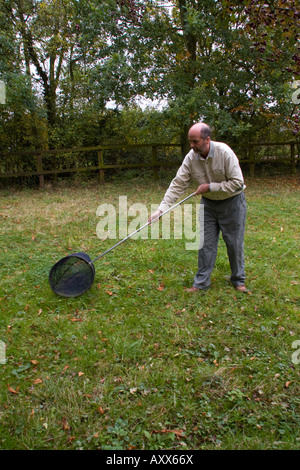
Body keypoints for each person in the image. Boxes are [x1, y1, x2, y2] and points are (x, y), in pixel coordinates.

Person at [148, 122, 248, 293]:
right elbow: (178, 184)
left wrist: (210, 187)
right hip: (208, 205)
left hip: (232, 203)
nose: (192, 145)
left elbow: (238, 183)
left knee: (233, 243)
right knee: (205, 244)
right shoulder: (190, 157)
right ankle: (201, 283)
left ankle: (238, 280)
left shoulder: (225, 153)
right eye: (190, 141)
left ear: (207, 139)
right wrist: (161, 209)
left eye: (195, 141)